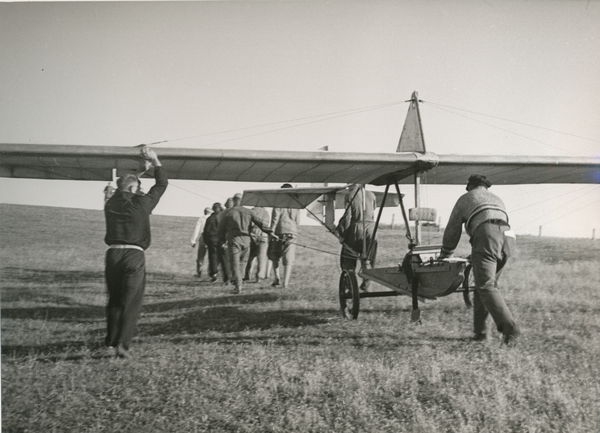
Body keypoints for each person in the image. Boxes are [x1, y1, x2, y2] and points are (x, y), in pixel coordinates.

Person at [438, 174, 519, 345]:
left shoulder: (466, 198)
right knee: (486, 285)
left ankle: (509, 328)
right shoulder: (496, 198)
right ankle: (481, 333)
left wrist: (445, 254)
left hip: (487, 234)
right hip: (509, 237)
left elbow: (453, 229)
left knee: (486, 286)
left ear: (470, 186)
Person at [104, 146, 167, 358]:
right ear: (134, 190)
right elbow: (162, 184)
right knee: (131, 301)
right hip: (133, 255)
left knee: (115, 298)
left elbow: (125, 188)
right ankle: (123, 345)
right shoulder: (141, 203)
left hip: (112, 254)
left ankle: (111, 341)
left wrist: (140, 172)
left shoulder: (110, 203)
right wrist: (155, 160)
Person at [218, 193, 273, 294]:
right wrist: (271, 233)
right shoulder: (249, 212)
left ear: (234, 200)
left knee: (235, 263)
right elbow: (261, 224)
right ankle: (240, 283)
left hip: (234, 240)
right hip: (247, 241)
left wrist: (222, 240)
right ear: (242, 201)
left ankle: (238, 286)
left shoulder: (229, 212)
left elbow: (221, 229)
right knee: (243, 263)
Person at [335, 184, 378, 291]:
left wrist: (342, 234)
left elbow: (348, 217)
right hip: (371, 229)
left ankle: (350, 284)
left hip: (357, 228)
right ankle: (367, 283)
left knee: (347, 256)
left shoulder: (350, 195)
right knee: (368, 257)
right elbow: (373, 209)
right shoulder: (371, 194)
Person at [268, 184, 301, 288]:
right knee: (288, 258)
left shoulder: (278, 203)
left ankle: (276, 278)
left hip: (279, 232)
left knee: (274, 255)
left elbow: (275, 219)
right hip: (292, 232)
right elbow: (297, 221)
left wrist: (271, 232)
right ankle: (285, 283)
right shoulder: (296, 204)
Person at [243, 206, 270, 282]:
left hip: (253, 233)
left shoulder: (252, 211)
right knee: (262, 257)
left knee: (250, 256)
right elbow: (266, 224)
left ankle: (247, 274)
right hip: (263, 234)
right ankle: (259, 276)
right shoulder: (266, 213)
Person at [203, 202, 228, 283]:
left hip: (212, 240)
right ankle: (226, 276)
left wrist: (206, 241)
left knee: (213, 257)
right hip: (221, 240)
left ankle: (214, 274)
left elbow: (206, 231)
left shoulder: (210, 218)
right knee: (224, 258)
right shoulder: (223, 218)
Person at [190, 207, 212, 277]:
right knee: (211, 256)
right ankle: (211, 273)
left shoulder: (201, 218)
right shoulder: (213, 218)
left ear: (204, 212)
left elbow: (196, 230)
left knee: (200, 256)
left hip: (203, 237)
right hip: (211, 237)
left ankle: (199, 272)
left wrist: (193, 241)